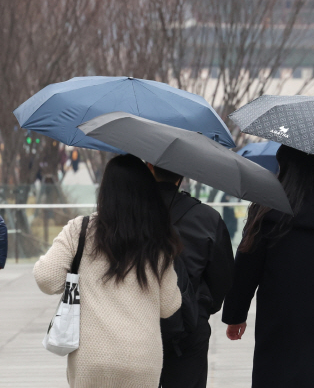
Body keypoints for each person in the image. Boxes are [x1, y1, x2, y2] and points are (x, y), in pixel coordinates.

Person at [222, 145, 314, 388]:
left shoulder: (266, 207)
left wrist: (235, 315)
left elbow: (247, 266)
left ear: (284, 168)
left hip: (284, 320)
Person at [33, 154, 181, 387]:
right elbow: (169, 306)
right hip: (142, 359)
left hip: (91, 357)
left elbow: (46, 279)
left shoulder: (80, 229)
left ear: (105, 191)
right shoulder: (159, 239)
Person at [148, 164, 234, 388]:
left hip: (139, 325)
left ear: (149, 167)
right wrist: (202, 307)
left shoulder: (132, 214)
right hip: (190, 328)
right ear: (182, 173)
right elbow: (223, 276)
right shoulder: (207, 217)